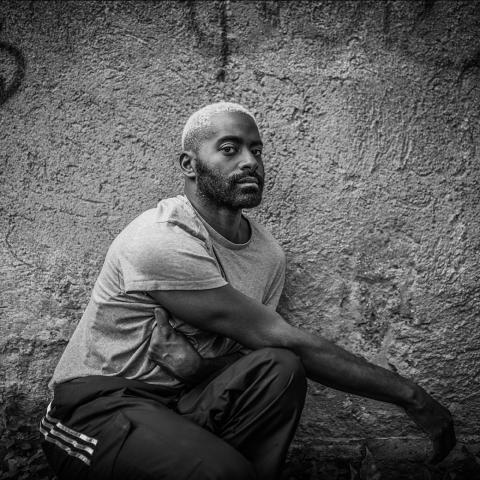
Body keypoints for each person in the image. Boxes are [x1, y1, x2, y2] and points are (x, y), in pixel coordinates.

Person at [41, 102, 455, 480]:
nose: (249, 162)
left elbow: (256, 352)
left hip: (186, 401)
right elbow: (277, 335)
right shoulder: (160, 238)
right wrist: (411, 396)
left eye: (256, 151)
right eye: (229, 149)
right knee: (225, 471)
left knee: (281, 367)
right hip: (99, 409)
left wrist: (200, 371)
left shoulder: (266, 253)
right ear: (189, 164)